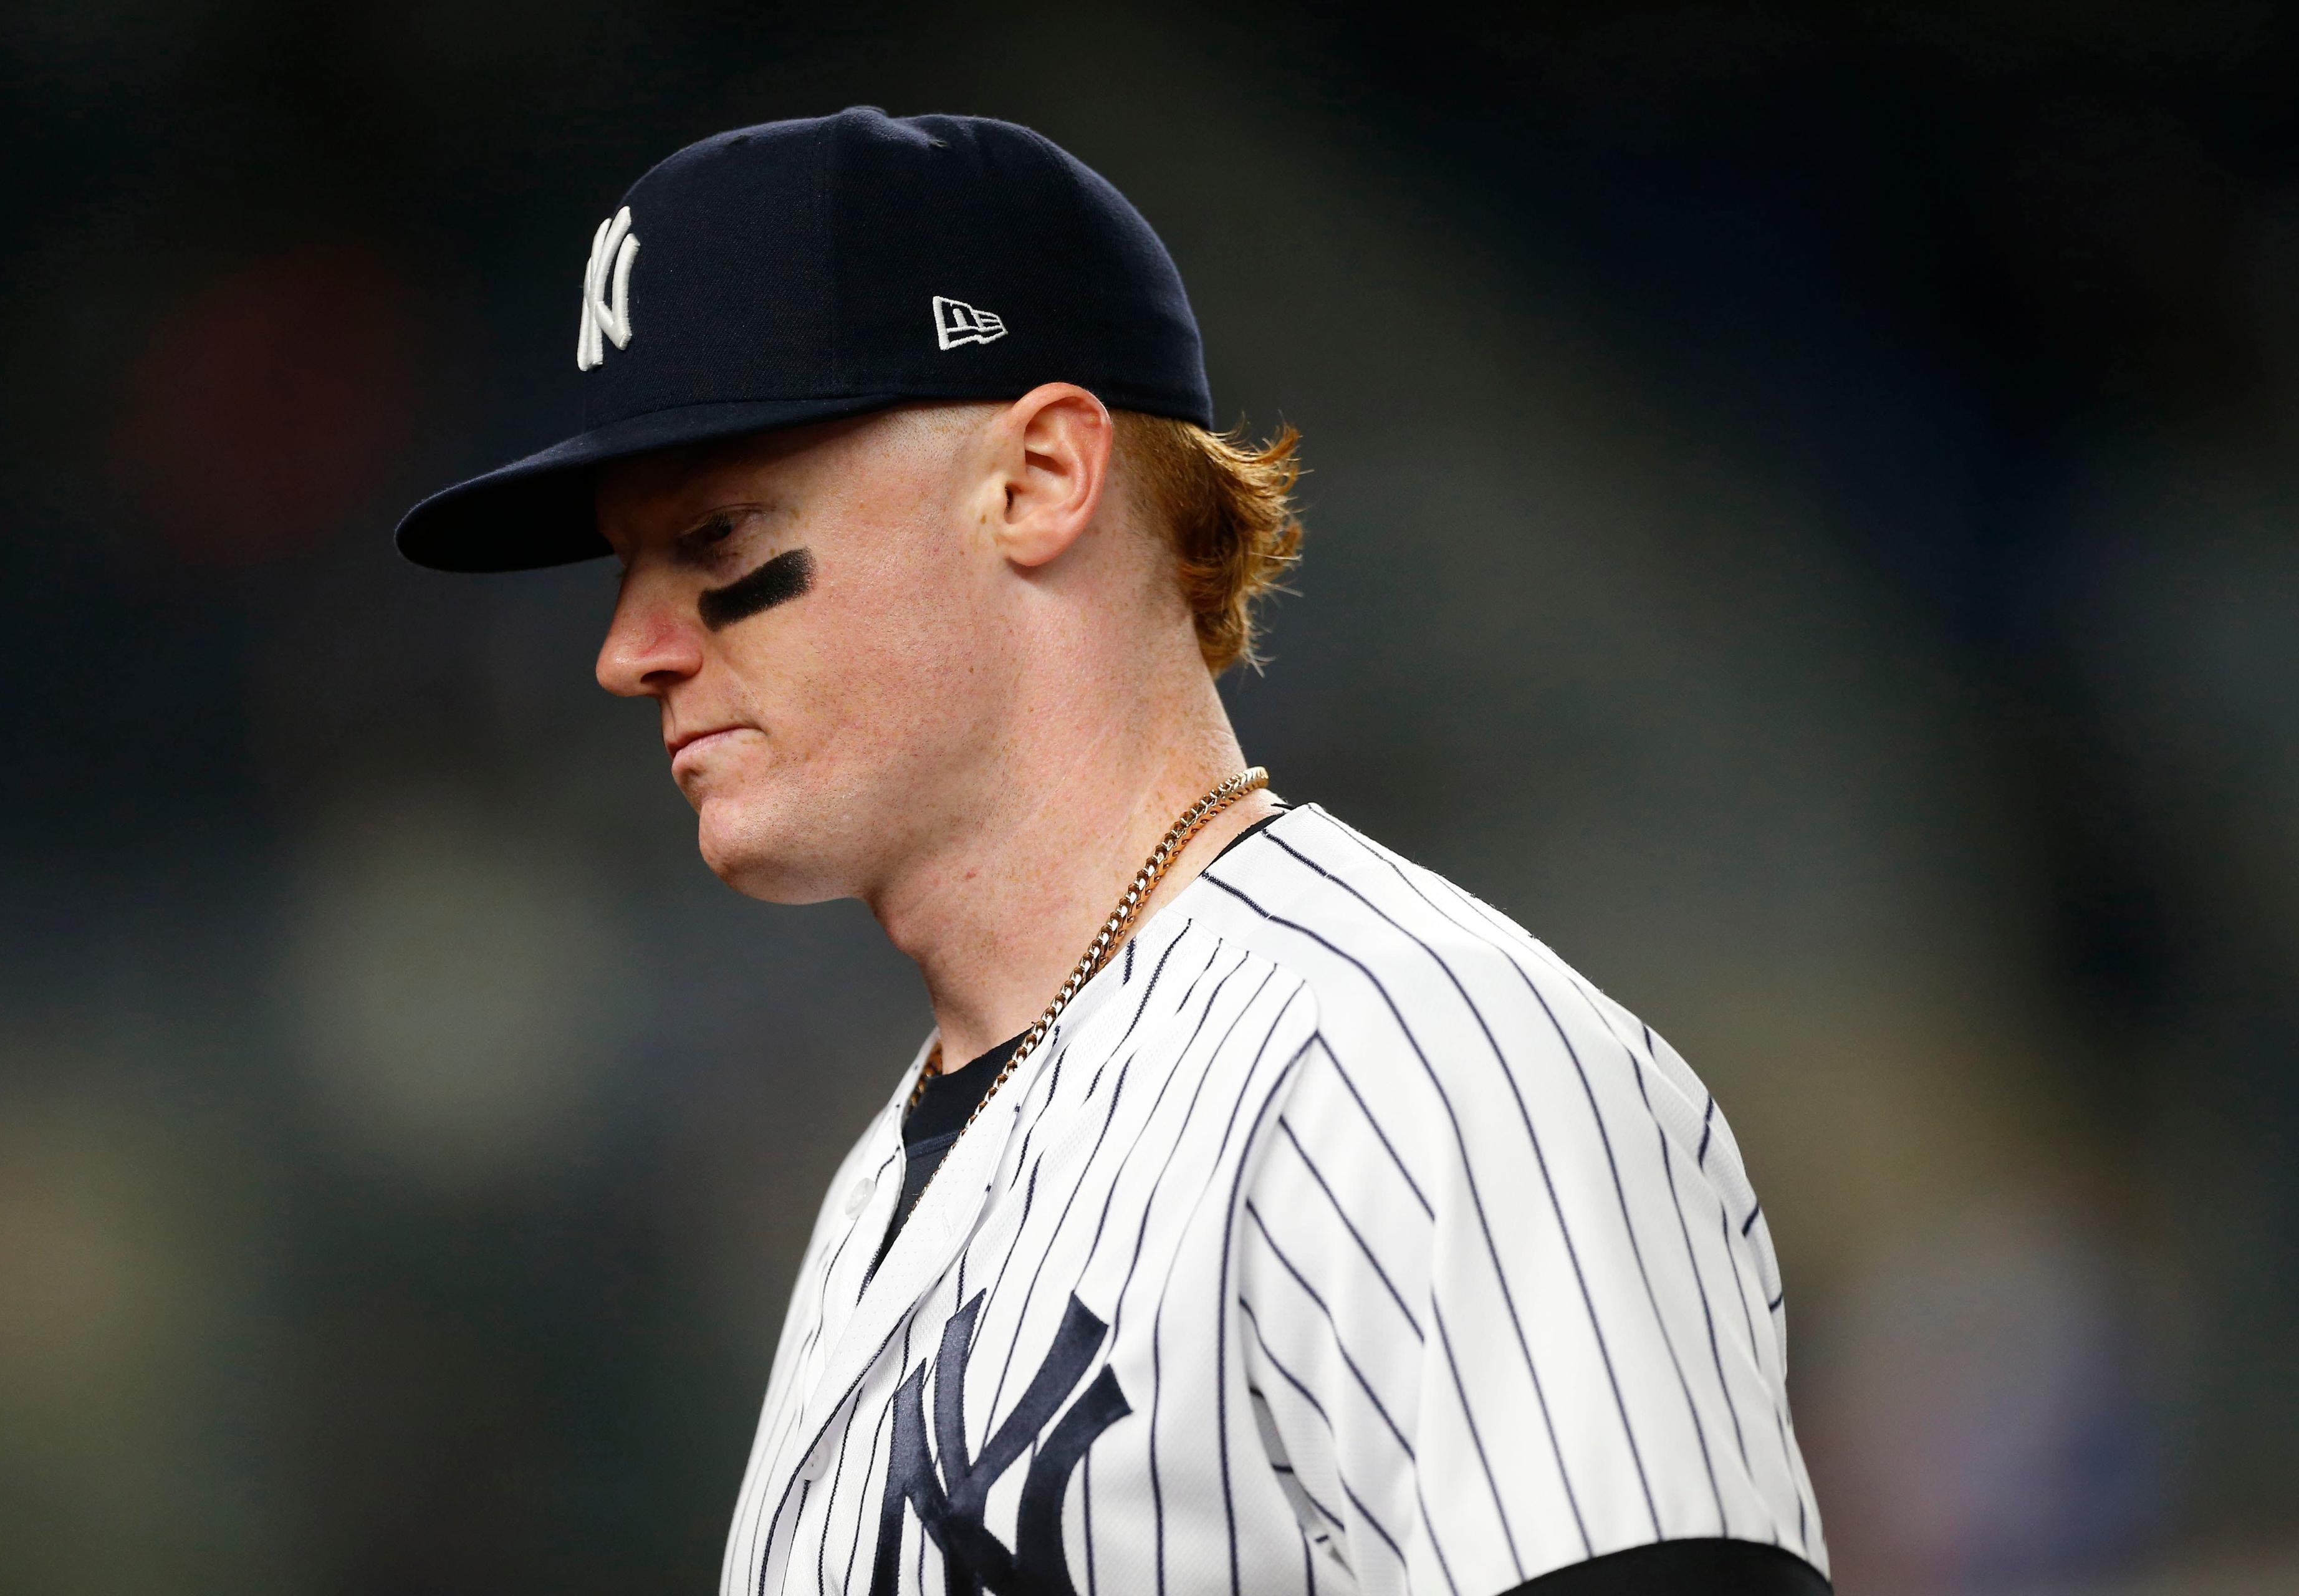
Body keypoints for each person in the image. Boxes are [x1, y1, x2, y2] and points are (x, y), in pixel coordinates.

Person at [396, 107, 1828, 1596]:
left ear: (1037, 480)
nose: (630, 650)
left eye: (713, 538)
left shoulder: (1415, 1058)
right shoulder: (880, 1191)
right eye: (629, 567)